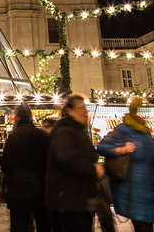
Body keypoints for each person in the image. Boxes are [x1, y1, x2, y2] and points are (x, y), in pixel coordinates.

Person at [97, 96, 154, 232]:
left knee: (147, 226)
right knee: (143, 227)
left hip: (148, 191)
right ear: (134, 111)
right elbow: (101, 147)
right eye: (141, 110)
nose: (144, 114)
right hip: (132, 191)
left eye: (146, 111)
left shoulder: (146, 132)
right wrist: (121, 149)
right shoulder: (124, 129)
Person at [44, 93, 104, 232]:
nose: (85, 111)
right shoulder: (64, 131)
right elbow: (67, 158)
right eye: (81, 108)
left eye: (85, 108)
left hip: (80, 198)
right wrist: (92, 168)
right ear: (70, 111)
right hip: (69, 198)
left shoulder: (78, 130)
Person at [0, 102, 51, 232]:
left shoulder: (12, 137)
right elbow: (49, 162)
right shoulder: (42, 135)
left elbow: (5, 165)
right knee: (42, 225)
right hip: (39, 190)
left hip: (17, 191)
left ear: (17, 118)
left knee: (19, 225)